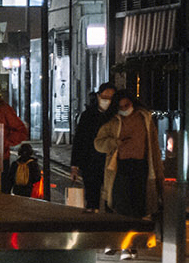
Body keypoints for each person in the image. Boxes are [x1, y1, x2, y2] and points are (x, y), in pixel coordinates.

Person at [94, 90, 162, 220]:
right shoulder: (113, 121)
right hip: (121, 167)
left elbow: (153, 145)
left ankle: (136, 235)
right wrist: (115, 143)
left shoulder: (145, 118)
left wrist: (159, 173)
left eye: (127, 105)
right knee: (122, 207)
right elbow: (98, 143)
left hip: (141, 166)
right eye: (121, 107)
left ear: (132, 103)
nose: (125, 109)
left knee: (140, 206)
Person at [68, 82, 115, 211]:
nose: (107, 101)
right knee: (92, 198)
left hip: (111, 164)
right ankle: (93, 222)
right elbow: (79, 141)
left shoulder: (116, 117)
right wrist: (74, 166)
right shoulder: (88, 115)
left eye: (111, 98)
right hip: (90, 163)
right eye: (105, 97)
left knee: (111, 200)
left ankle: (110, 225)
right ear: (99, 96)